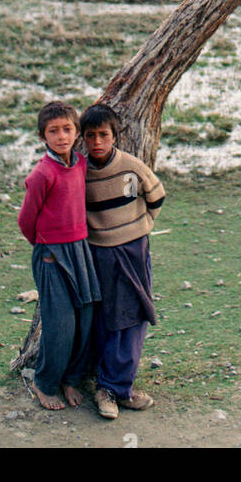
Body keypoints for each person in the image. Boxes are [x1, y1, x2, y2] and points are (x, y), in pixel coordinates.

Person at [81, 103, 166, 420]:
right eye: (90, 136)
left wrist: (138, 227)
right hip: (98, 253)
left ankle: (120, 388)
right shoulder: (82, 173)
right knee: (104, 318)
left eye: (104, 135)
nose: (97, 142)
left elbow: (156, 196)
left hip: (133, 250)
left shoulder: (131, 167)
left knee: (133, 315)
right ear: (84, 139)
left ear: (115, 135)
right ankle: (106, 388)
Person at [16, 101, 101, 411]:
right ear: (43, 137)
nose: (61, 136)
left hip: (81, 251)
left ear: (77, 133)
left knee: (86, 319)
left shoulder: (80, 164)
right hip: (52, 255)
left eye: (67, 129)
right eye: (54, 131)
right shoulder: (42, 174)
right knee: (61, 325)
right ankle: (45, 383)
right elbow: (26, 220)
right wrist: (47, 247)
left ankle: (71, 378)